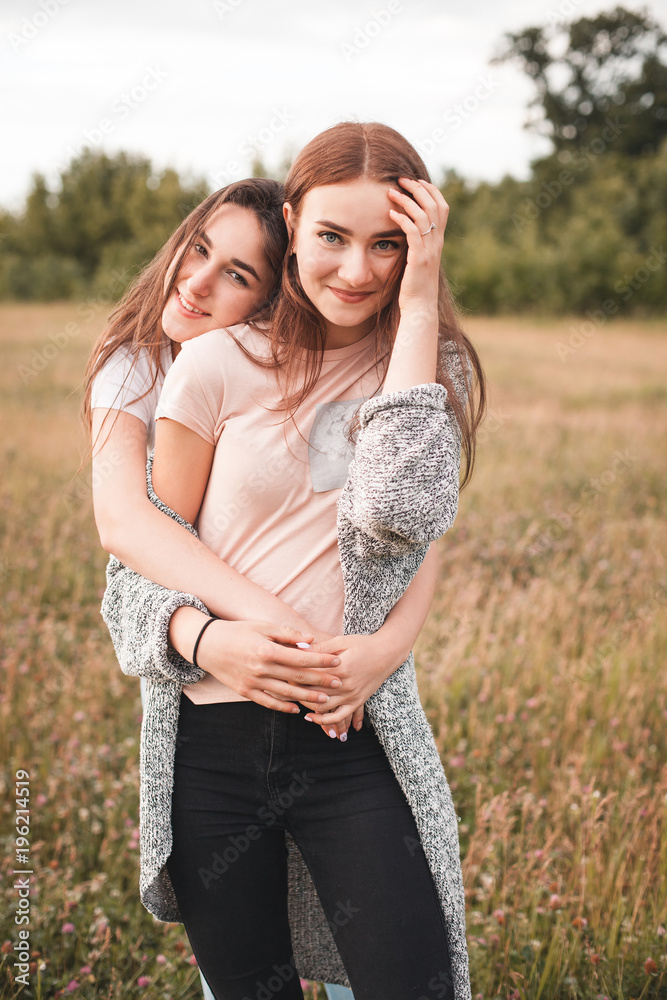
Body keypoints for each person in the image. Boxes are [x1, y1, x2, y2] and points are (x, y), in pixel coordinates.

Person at [101, 121, 485, 1000]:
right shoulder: (211, 366)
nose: (356, 270)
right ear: (291, 224)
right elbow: (138, 571)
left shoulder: (429, 367)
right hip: (211, 744)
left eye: (388, 245)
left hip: (351, 737)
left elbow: (407, 517)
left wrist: (419, 307)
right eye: (330, 237)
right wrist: (208, 643)